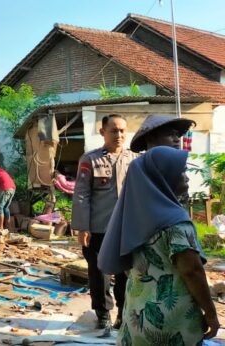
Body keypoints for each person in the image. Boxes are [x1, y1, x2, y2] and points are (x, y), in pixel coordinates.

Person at [99, 147, 219, 344]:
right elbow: (191, 270)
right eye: (181, 172)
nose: (187, 178)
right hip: (173, 322)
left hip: (137, 316)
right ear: (163, 177)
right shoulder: (176, 223)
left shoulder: (134, 218)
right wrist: (211, 314)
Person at [72, 114, 139, 330]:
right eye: (113, 130)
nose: (118, 135)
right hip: (98, 229)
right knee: (98, 272)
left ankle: (123, 313)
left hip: (126, 228)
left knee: (125, 274)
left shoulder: (135, 160)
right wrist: (82, 227)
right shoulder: (90, 159)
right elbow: (82, 194)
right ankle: (102, 313)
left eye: (122, 131)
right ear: (102, 132)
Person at [130, 114, 195, 153]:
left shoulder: (174, 165)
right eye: (170, 134)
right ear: (150, 138)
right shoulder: (139, 166)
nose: (177, 139)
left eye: (177, 135)